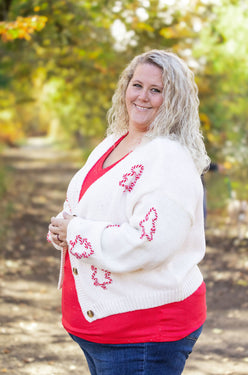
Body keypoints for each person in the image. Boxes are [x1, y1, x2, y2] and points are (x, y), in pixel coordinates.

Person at [48, 49, 210, 375]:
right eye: (137, 85)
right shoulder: (115, 141)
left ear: (174, 100)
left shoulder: (169, 159)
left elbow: (149, 243)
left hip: (143, 332)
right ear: (125, 86)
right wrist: (62, 226)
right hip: (105, 330)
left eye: (156, 90)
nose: (143, 97)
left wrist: (75, 232)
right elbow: (84, 204)